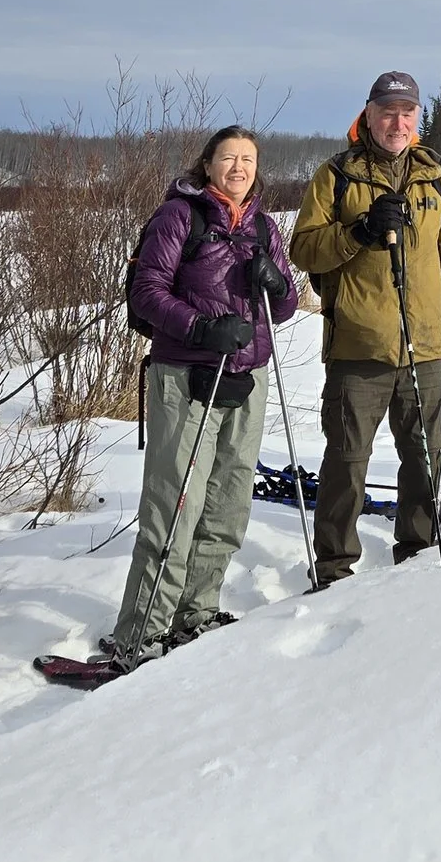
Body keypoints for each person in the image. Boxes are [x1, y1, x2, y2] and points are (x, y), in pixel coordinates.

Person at [103, 124, 300, 669]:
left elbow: (282, 309)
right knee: (175, 506)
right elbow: (147, 293)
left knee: (229, 501)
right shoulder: (179, 216)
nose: (239, 167)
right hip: (187, 375)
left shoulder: (263, 224)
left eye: (248, 159)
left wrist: (280, 287)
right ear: (208, 164)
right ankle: (142, 629)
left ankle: (196, 611)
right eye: (229, 157)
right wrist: (199, 328)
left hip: (248, 376)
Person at [288, 71, 441, 585]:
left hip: (425, 348)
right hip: (358, 345)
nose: (398, 122)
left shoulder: (435, 176)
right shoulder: (337, 174)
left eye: (407, 112)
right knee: (347, 463)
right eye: (388, 111)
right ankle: (333, 569)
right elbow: (302, 249)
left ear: (418, 118)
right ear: (368, 114)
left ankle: (415, 560)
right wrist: (359, 232)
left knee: (425, 459)